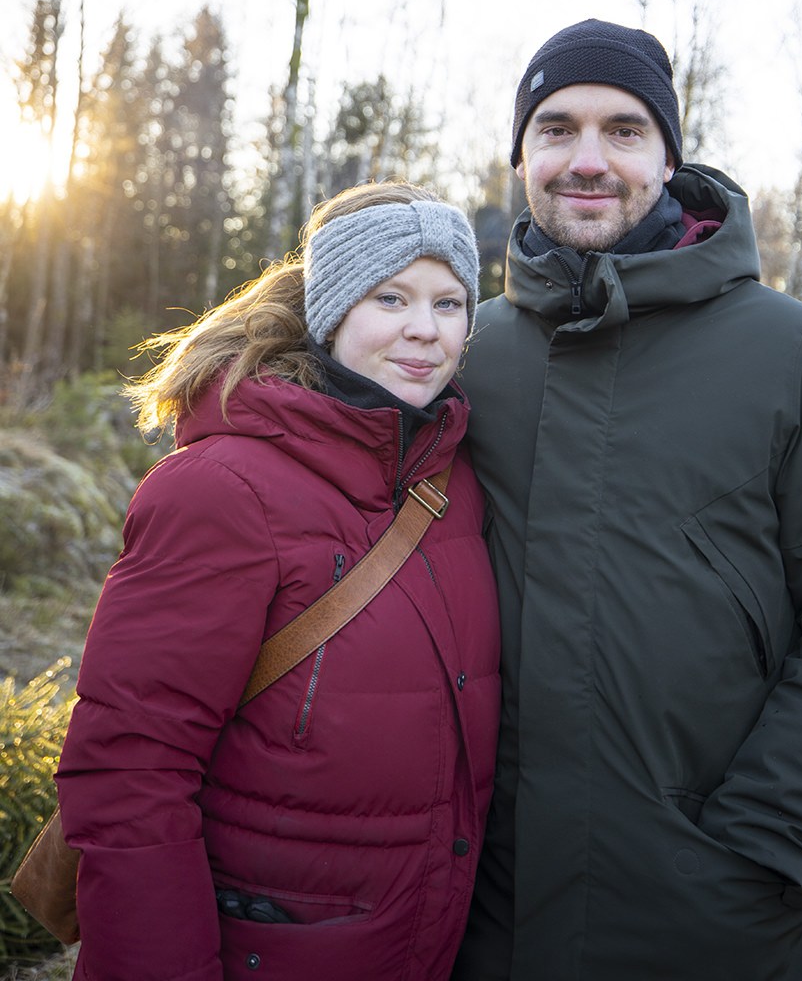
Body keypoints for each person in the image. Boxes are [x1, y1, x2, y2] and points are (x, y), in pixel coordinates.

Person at [452, 19, 802, 981]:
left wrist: (767, 844)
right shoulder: (469, 355)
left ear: (669, 157)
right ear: (520, 158)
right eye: (555, 129)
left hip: (720, 919)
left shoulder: (793, 350)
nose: (586, 159)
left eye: (624, 130)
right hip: (490, 919)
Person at [56, 182, 501, 981]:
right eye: (390, 296)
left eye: (450, 303)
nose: (424, 331)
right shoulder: (221, 487)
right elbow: (130, 771)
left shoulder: (454, 483)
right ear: (330, 309)